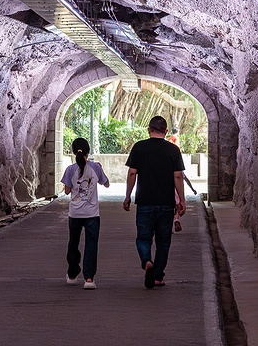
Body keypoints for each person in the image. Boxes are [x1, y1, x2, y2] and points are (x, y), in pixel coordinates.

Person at [123, 116, 186, 289]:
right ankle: (158, 276)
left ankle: (146, 262)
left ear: (149, 130)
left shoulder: (139, 147)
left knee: (143, 238)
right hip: (166, 203)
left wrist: (128, 196)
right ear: (166, 132)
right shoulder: (173, 150)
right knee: (163, 241)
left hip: (144, 202)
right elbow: (178, 176)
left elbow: (132, 173)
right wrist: (181, 199)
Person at [61, 137, 110, 289]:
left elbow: (67, 190)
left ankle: (72, 274)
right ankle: (89, 279)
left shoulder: (70, 169)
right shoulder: (95, 167)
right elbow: (106, 184)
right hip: (92, 214)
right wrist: (100, 169)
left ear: (74, 152)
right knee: (91, 244)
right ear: (88, 152)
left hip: (75, 213)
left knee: (73, 243)